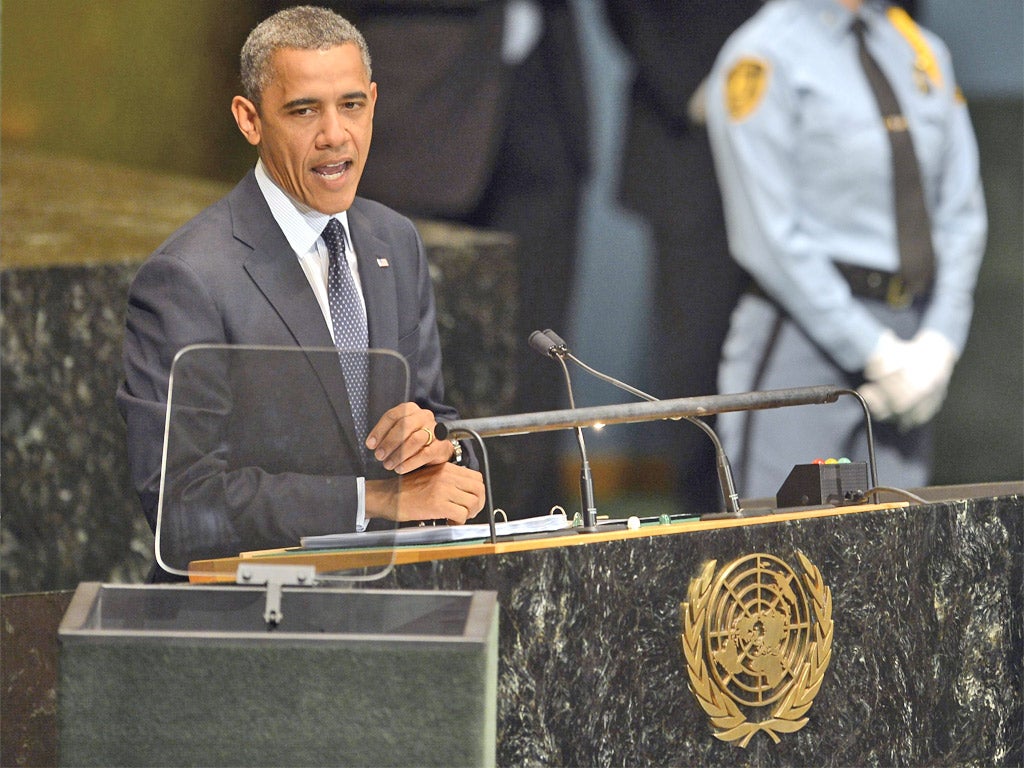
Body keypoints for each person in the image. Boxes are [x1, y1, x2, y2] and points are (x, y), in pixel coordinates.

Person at [116, 5, 486, 573]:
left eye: (352, 106)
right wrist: (377, 499)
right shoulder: (188, 280)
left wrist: (439, 446)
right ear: (249, 119)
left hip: (393, 608)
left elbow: (434, 414)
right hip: (249, 622)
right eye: (304, 110)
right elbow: (182, 506)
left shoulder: (395, 240)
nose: (334, 135)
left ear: (374, 104)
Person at [293, 0, 591, 519]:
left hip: (541, 88)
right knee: (400, 365)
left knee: (539, 361)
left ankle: (533, 541)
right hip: (414, 98)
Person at [705, 0, 987, 499]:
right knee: (783, 560)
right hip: (798, 341)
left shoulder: (920, 49)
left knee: (898, 561)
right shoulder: (763, 53)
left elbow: (962, 213)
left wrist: (940, 342)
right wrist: (876, 352)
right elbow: (767, 236)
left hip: (913, 341)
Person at [604, 1, 760, 515]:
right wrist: (697, 88)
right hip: (689, 142)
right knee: (697, 363)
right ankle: (705, 536)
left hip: (817, 144)